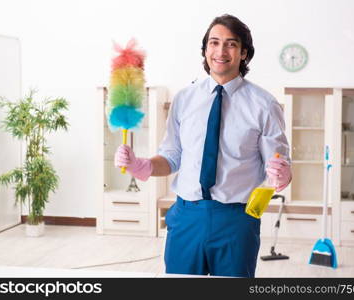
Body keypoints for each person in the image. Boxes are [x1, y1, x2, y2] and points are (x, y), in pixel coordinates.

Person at [114, 14, 291, 278]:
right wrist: (143, 165)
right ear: (205, 49)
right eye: (214, 42)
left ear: (244, 53)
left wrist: (283, 173)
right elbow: (172, 157)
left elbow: (276, 164)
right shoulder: (184, 99)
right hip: (187, 217)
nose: (221, 51)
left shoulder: (264, 104)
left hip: (236, 220)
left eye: (231, 44)